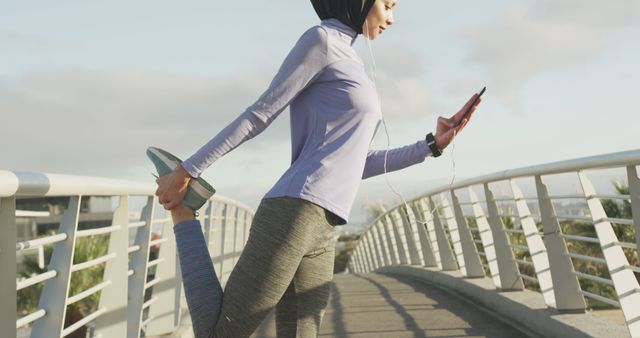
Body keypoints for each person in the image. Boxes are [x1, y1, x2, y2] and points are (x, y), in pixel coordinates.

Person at [148, 0, 481, 337]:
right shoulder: (321, 41)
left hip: (326, 224)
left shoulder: (352, 60)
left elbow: (357, 162)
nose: (392, 18)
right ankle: (184, 215)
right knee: (220, 334)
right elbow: (260, 113)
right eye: (388, 5)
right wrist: (189, 169)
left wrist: (432, 145)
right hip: (294, 212)